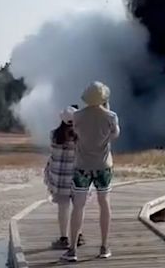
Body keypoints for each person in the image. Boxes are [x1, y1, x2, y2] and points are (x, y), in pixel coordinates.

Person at [61, 81, 120, 262]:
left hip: (82, 166)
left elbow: (67, 120)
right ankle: (104, 247)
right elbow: (115, 135)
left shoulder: (77, 116)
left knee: (78, 206)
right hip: (103, 166)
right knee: (104, 204)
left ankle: (72, 250)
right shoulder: (111, 116)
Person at [44, 106, 85, 249]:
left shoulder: (53, 135)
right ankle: (78, 236)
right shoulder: (81, 137)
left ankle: (64, 238)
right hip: (77, 178)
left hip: (59, 179)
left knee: (63, 208)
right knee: (78, 208)